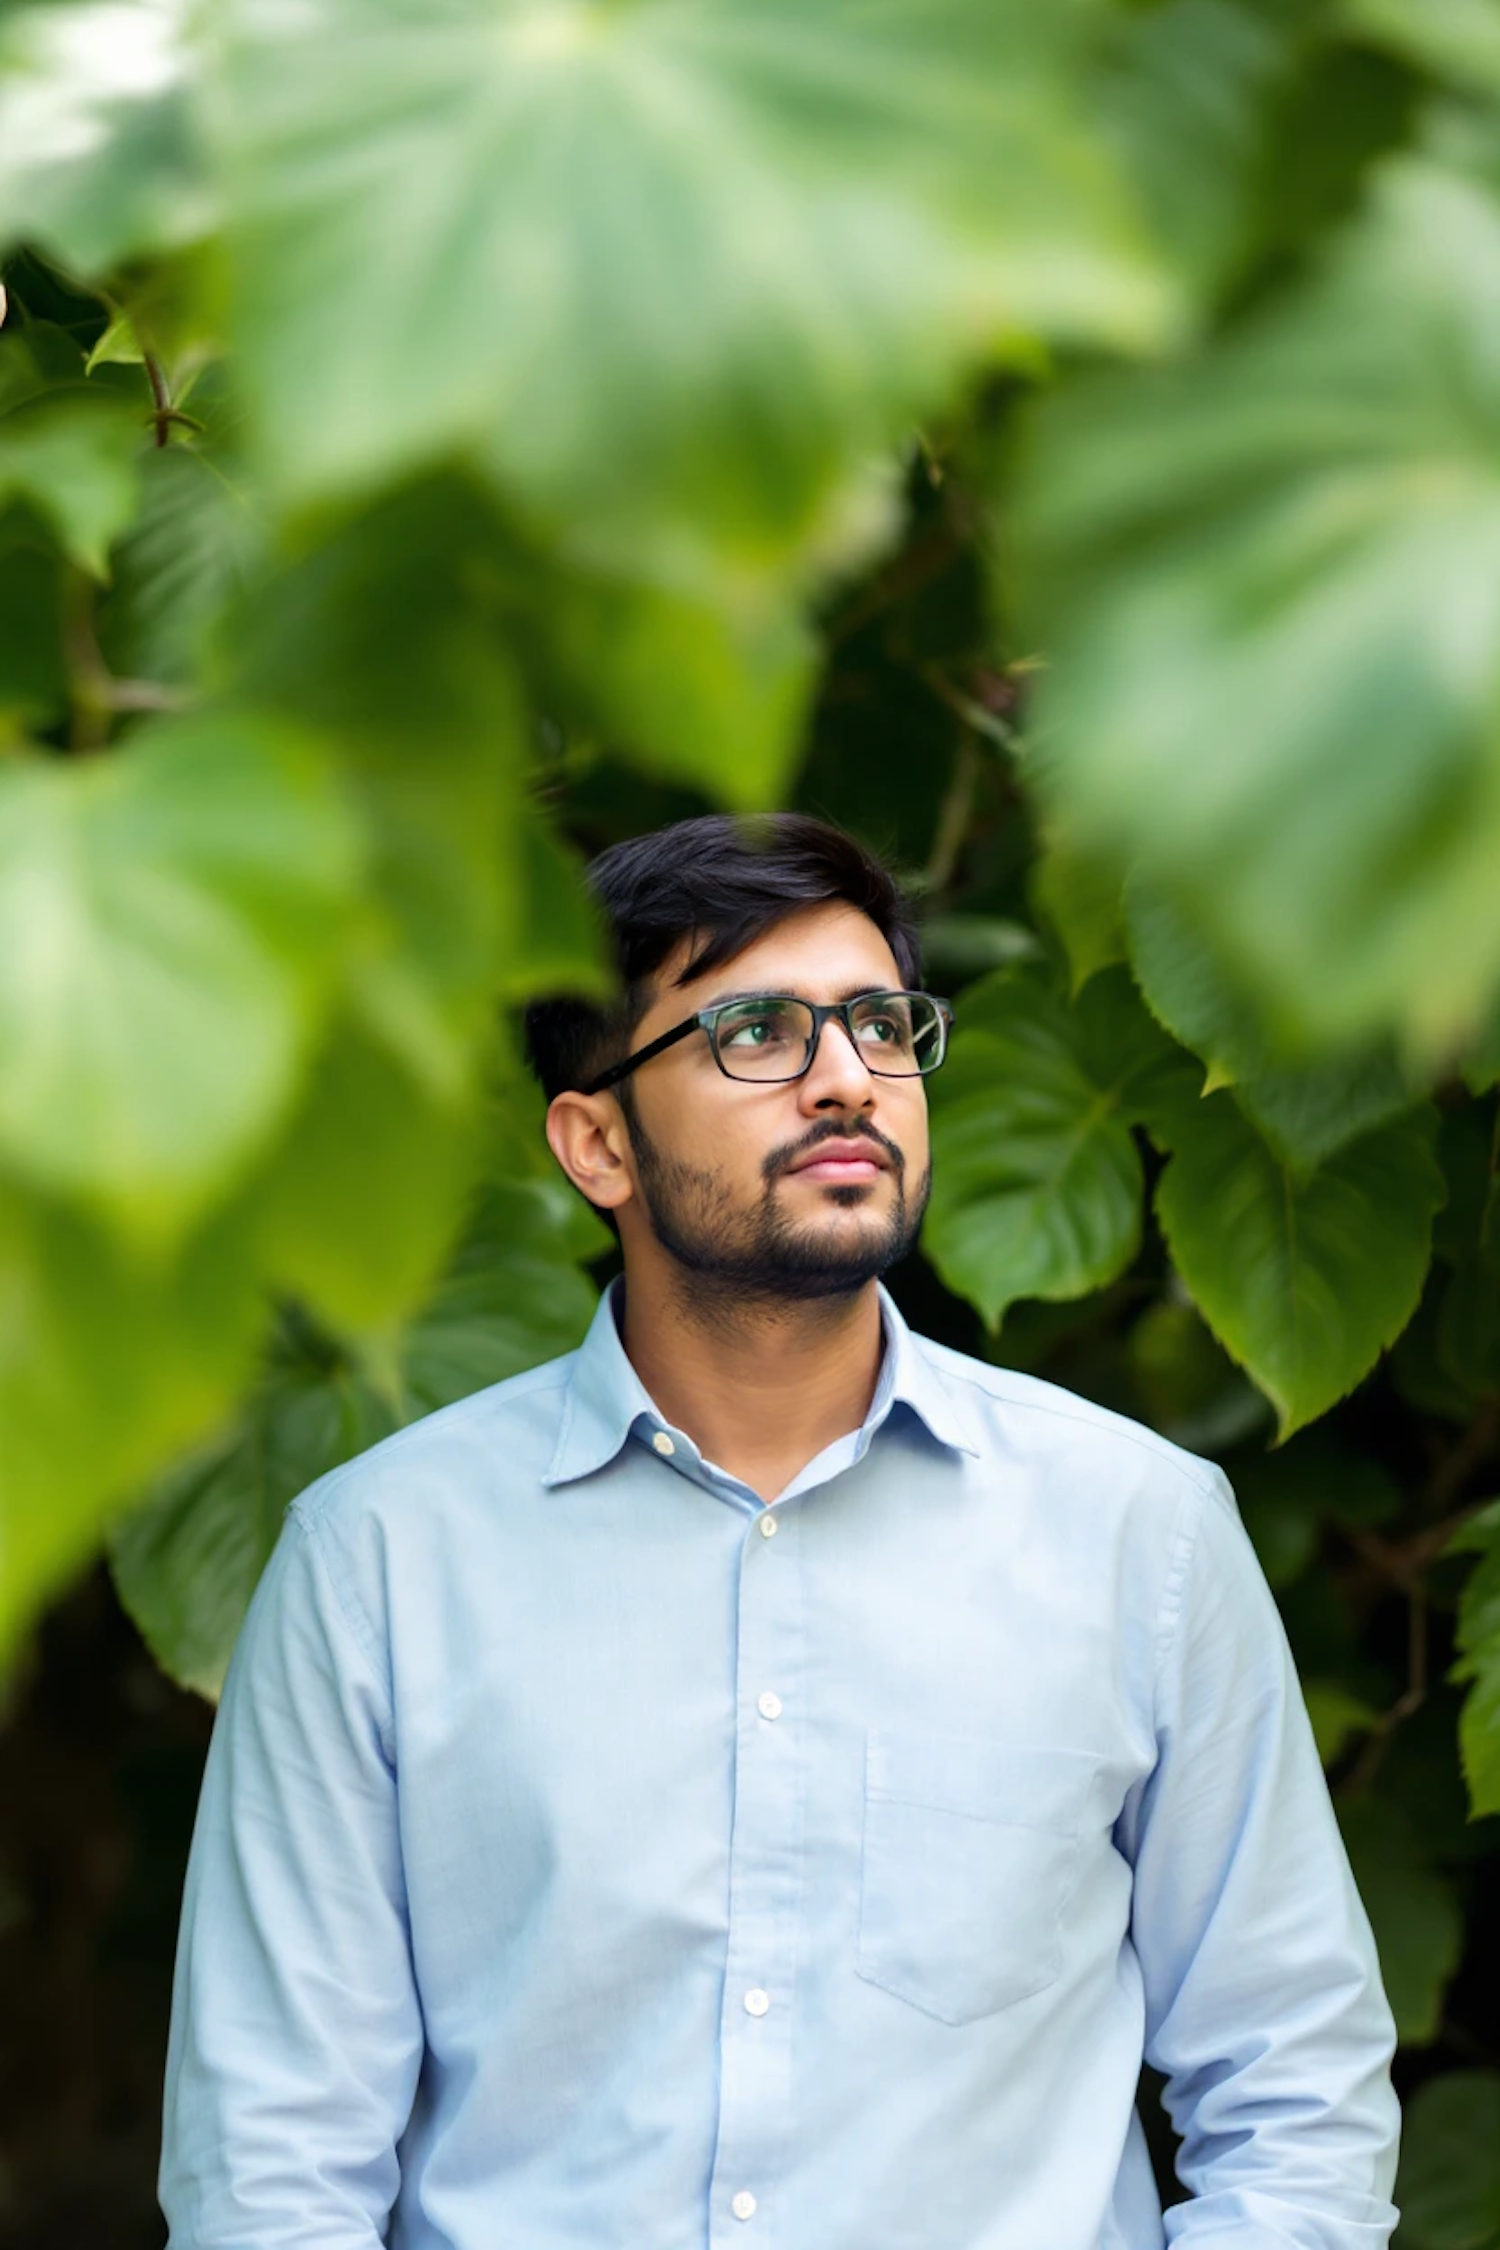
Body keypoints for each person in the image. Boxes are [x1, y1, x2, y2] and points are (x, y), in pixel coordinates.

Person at [159, 812, 1400, 2249]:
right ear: (598, 1141)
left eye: (881, 1024)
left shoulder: (1140, 1530)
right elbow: (272, 2167)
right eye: (756, 1031)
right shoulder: (375, 1564)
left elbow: (1296, 2085)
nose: (846, 1080)